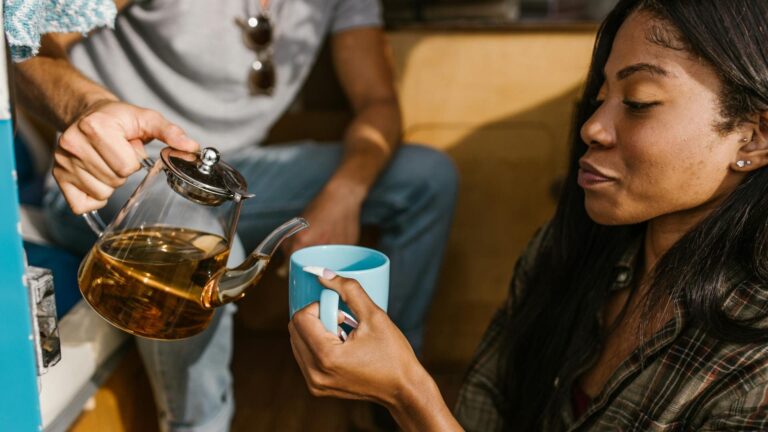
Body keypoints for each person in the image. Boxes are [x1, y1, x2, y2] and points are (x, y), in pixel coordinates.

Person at [289, 0, 768, 430]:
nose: (593, 127)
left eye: (639, 102)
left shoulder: (755, 372)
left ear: (753, 138)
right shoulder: (564, 251)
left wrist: (407, 394)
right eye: (601, 99)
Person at [13, 0, 458, 430]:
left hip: (237, 170)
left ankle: (389, 395)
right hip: (123, 169)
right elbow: (23, 43)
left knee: (426, 178)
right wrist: (87, 107)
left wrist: (346, 192)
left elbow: (378, 101)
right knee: (210, 251)